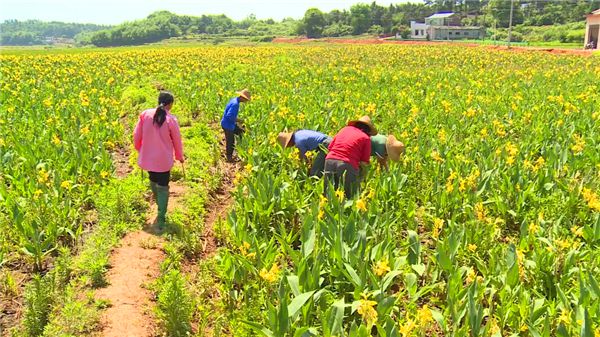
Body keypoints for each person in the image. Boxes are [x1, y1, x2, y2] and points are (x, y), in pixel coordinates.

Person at [133, 91, 184, 229]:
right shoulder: (171, 119)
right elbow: (177, 140)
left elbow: (136, 135)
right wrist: (179, 156)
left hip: (148, 158)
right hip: (163, 160)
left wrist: (141, 149)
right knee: (163, 185)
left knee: (153, 180)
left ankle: (158, 205)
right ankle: (161, 216)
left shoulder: (145, 115)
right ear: (170, 104)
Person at [324, 116, 377, 198]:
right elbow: (364, 162)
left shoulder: (345, 129)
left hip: (329, 160)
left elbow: (330, 147)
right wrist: (363, 176)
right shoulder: (365, 138)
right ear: (368, 131)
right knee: (349, 195)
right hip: (346, 164)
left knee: (328, 193)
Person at [221, 88, 251, 162]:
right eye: (246, 99)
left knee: (241, 132)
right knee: (230, 141)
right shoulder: (235, 104)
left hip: (230, 124)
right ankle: (229, 157)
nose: (246, 101)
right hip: (227, 125)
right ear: (242, 98)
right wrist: (239, 120)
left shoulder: (234, 100)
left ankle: (241, 148)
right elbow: (229, 116)